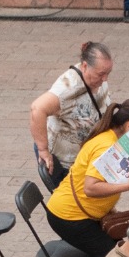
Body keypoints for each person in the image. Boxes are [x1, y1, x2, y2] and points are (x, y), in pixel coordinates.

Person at [45, 97, 129, 257]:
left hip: (83, 214)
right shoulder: (106, 145)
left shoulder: (111, 137)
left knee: (125, 253)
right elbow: (90, 188)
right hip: (70, 217)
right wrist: (127, 185)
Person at [30, 41, 113, 185]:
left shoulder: (96, 79)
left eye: (108, 73)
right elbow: (37, 109)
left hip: (88, 158)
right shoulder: (67, 89)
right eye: (101, 74)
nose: (105, 79)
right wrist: (43, 150)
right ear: (85, 66)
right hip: (65, 165)